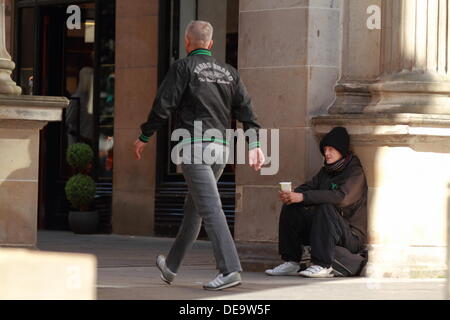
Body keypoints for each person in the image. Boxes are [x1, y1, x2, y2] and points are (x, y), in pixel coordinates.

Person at [134, 20, 265, 290]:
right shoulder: (229, 73)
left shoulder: (183, 67)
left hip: (194, 147)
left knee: (210, 208)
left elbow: (163, 105)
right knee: (195, 208)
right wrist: (254, 144)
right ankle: (171, 267)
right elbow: (247, 112)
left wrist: (145, 135)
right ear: (211, 44)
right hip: (220, 150)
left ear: (187, 42)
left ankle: (229, 270)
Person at [265, 127, 367, 278]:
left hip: (350, 236)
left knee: (326, 207)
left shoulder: (355, 173)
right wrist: (293, 195)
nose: (326, 153)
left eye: (331, 149)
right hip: (325, 229)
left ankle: (323, 265)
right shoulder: (326, 171)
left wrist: (304, 197)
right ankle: (292, 262)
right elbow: (308, 187)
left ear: (342, 150)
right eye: (325, 149)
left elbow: (341, 197)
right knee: (291, 207)